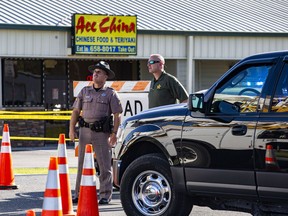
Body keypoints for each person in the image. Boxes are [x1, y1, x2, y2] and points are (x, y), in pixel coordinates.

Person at [69, 61, 123, 205]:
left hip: (102, 133)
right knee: (82, 163)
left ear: (106, 76)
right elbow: (75, 111)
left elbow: (117, 115)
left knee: (104, 164)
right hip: (85, 131)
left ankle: (105, 195)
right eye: (94, 72)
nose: (95, 74)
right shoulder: (85, 91)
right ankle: (79, 194)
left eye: (99, 72)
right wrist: (71, 129)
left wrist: (114, 133)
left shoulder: (111, 93)